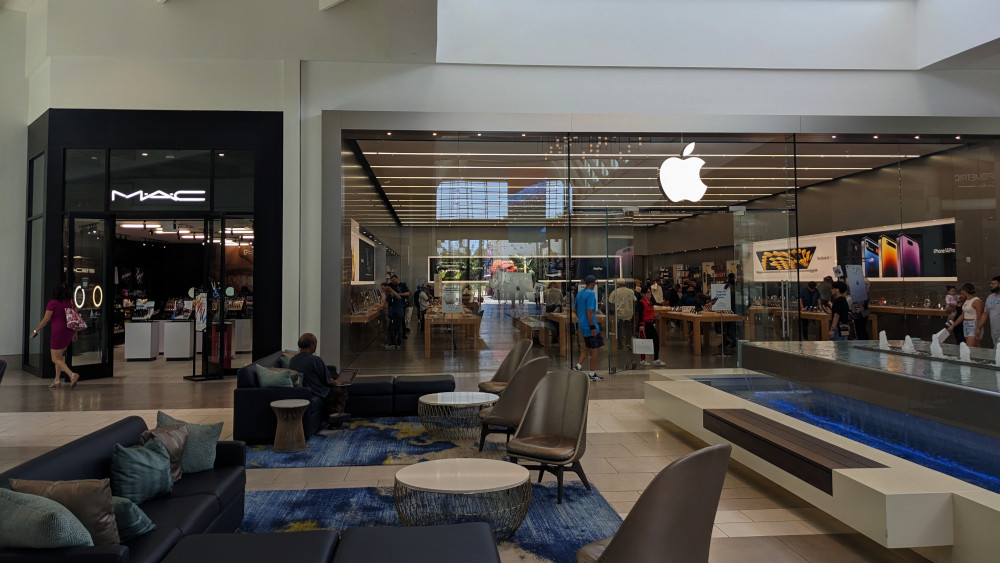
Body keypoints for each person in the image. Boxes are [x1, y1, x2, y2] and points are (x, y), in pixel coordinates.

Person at [288, 333, 348, 425]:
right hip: (317, 391)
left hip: (303, 390)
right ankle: (336, 421)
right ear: (311, 345)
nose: (316, 346)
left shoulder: (293, 360)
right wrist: (338, 382)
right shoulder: (316, 360)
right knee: (341, 392)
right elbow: (328, 381)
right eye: (315, 344)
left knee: (333, 376)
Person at [29, 283, 80, 389]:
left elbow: (46, 319)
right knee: (60, 357)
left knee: (55, 358)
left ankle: (72, 375)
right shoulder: (71, 302)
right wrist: (75, 333)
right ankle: (56, 380)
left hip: (58, 332)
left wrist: (35, 330)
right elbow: (76, 318)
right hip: (69, 331)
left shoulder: (53, 303)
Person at [574, 275, 604, 381]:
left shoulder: (579, 293)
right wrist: (592, 326)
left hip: (582, 324)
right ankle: (592, 373)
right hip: (590, 325)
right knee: (595, 349)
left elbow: (575, 309)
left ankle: (578, 366)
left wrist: (580, 319)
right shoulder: (591, 294)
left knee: (587, 347)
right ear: (593, 284)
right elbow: (589, 311)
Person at [636, 285, 665, 366]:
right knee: (644, 341)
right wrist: (641, 324)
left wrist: (654, 316)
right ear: (643, 294)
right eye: (648, 292)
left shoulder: (650, 302)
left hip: (651, 323)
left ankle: (656, 358)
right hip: (645, 324)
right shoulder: (641, 302)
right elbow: (641, 314)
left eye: (650, 292)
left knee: (656, 340)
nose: (650, 294)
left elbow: (649, 312)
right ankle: (642, 359)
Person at [609, 279, 636, 352]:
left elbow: (611, 302)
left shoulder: (615, 292)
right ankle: (628, 343)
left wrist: (613, 312)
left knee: (619, 330)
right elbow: (635, 300)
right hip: (628, 313)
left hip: (619, 314)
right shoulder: (630, 291)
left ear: (617, 284)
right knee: (628, 329)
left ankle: (620, 345)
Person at [959, 283, 986, 347]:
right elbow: (962, 315)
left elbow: (980, 316)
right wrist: (953, 326)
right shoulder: (966, 301)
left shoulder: (976, 301)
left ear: (964, 291)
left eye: (961, 291)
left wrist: (978, 328)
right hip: (965, 324)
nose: (961, 293)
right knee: (975, 346)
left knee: (969, 348)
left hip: (973, 324)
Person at [382, 282, 404, 349]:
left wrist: (378, 307)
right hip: (400, 314)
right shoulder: (396, 295)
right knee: (399, 329)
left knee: (391, 329)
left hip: (394, 315)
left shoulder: (390, 296)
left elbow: (385, 304)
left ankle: (393, 344)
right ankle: (398, 344)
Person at [984, 276, 1000, 348]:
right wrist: (978, 327)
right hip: (994, 331)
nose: (991, 285)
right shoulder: (990, 297)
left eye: (994, 284)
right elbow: (985, 313)